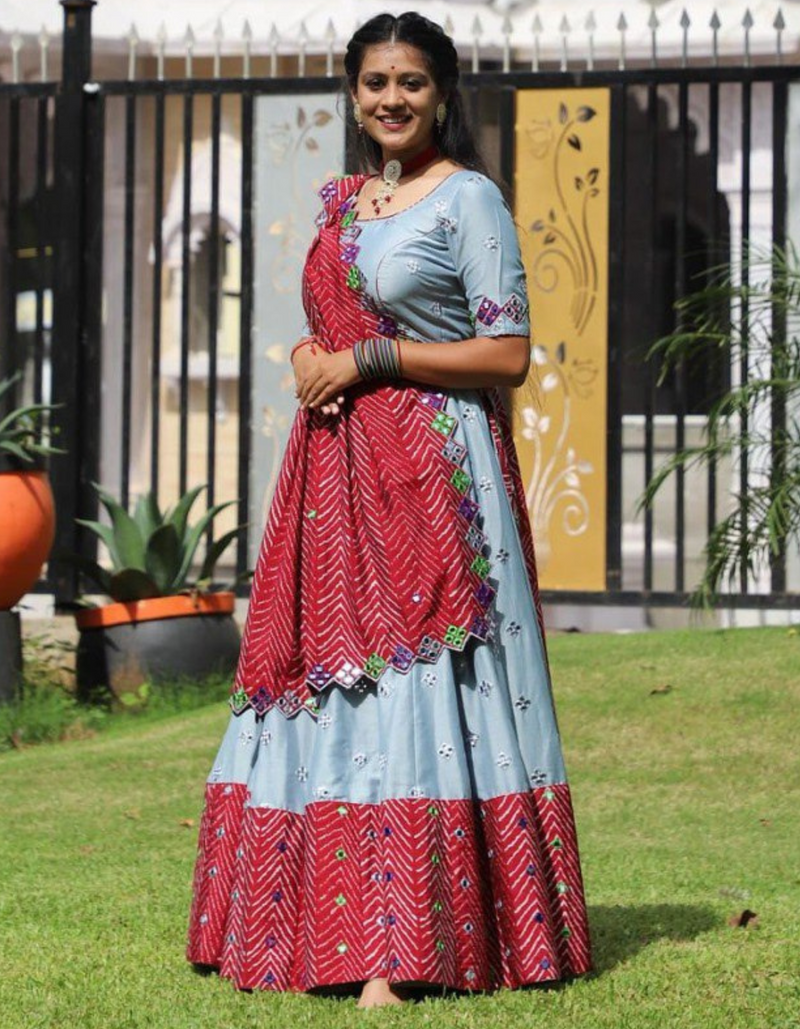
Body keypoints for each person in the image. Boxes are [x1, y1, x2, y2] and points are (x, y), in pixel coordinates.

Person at [186, 11, 593, 1008]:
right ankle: (284, 930)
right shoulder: (349, 203)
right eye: (375, 82)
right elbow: (329, 321)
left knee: (416, 680)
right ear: (354, 92)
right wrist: (311, 358)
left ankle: (396, 953)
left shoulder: (470, 201)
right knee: (332, 672)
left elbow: (506, 356)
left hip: (436, 476)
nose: (392, 99)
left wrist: (373, 359)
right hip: (334, 476)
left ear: (442, 94)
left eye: (411, 82)